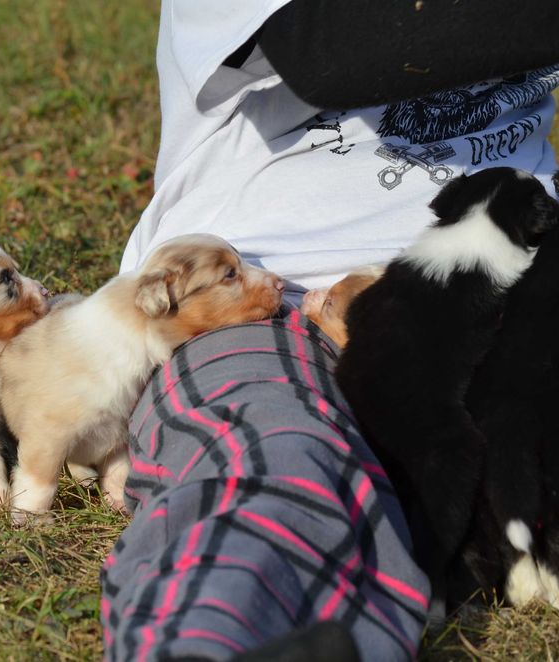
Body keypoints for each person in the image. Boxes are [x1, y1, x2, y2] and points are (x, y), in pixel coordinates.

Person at [101, 1, 559, 660]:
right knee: (273, 457)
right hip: (268, 293)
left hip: (515, 283)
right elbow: (324, 51)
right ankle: (211, 646)